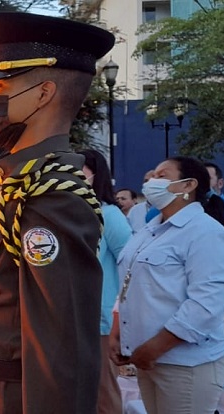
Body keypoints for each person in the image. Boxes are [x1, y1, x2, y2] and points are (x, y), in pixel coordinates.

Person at [0, 12, 112, 412]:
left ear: (43, 93)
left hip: (7, 399)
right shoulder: (21, 177)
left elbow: (61, 351)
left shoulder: (52, 198)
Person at [109, 156, 224, 414]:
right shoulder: (150, 230)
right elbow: (129, 284)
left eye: (161, 176)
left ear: (188, 185)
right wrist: (120, 332)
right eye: (151, 177)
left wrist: (155, 347)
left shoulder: (207, 233)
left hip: (185, 365)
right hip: (147, 358)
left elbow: (205, 305)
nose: (151, 183)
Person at [79, 149, 132, 414]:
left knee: (103, 390)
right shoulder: (70, 212)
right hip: (72, 316)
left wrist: (118, 314)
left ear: (94, 175)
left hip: (100, 318)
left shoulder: (109, 215)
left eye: (79, 171)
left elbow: (129, 263)